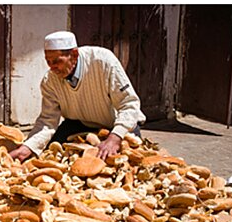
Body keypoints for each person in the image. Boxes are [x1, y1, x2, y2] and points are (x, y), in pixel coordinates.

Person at [8, 30, 146, 162]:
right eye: (48, 62)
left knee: (124, 157)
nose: (52, 67)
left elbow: (129, 104)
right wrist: (28, 147)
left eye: (56, 61)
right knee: (52, 150)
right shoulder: (49, 81)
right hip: (80, 123)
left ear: (74, 55)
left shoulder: (103, 61)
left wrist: (115, 138)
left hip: (115, 124)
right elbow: (47, 121)